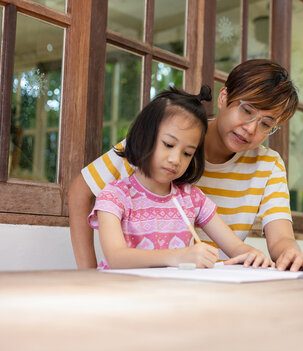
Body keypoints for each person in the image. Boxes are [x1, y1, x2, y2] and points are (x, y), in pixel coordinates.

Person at [69, 59, 303, 273]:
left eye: (266, 124)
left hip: (214, 286)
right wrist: (88, 274)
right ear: (224, 97)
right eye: (247, 110)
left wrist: (291, 253)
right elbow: (81, 191)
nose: (251, 129)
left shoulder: (267, 165)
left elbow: (280, 238)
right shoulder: (170, 135)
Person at [88, 85, 273, 269]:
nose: (176, 160)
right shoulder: (115, 196)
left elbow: (236, 247)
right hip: (123, 293)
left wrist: (252, 254)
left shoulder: (191, 198)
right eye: (168, 144)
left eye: (187, 153)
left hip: (174, 295)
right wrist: (178, 256)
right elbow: (116, 258)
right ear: (143, 136)